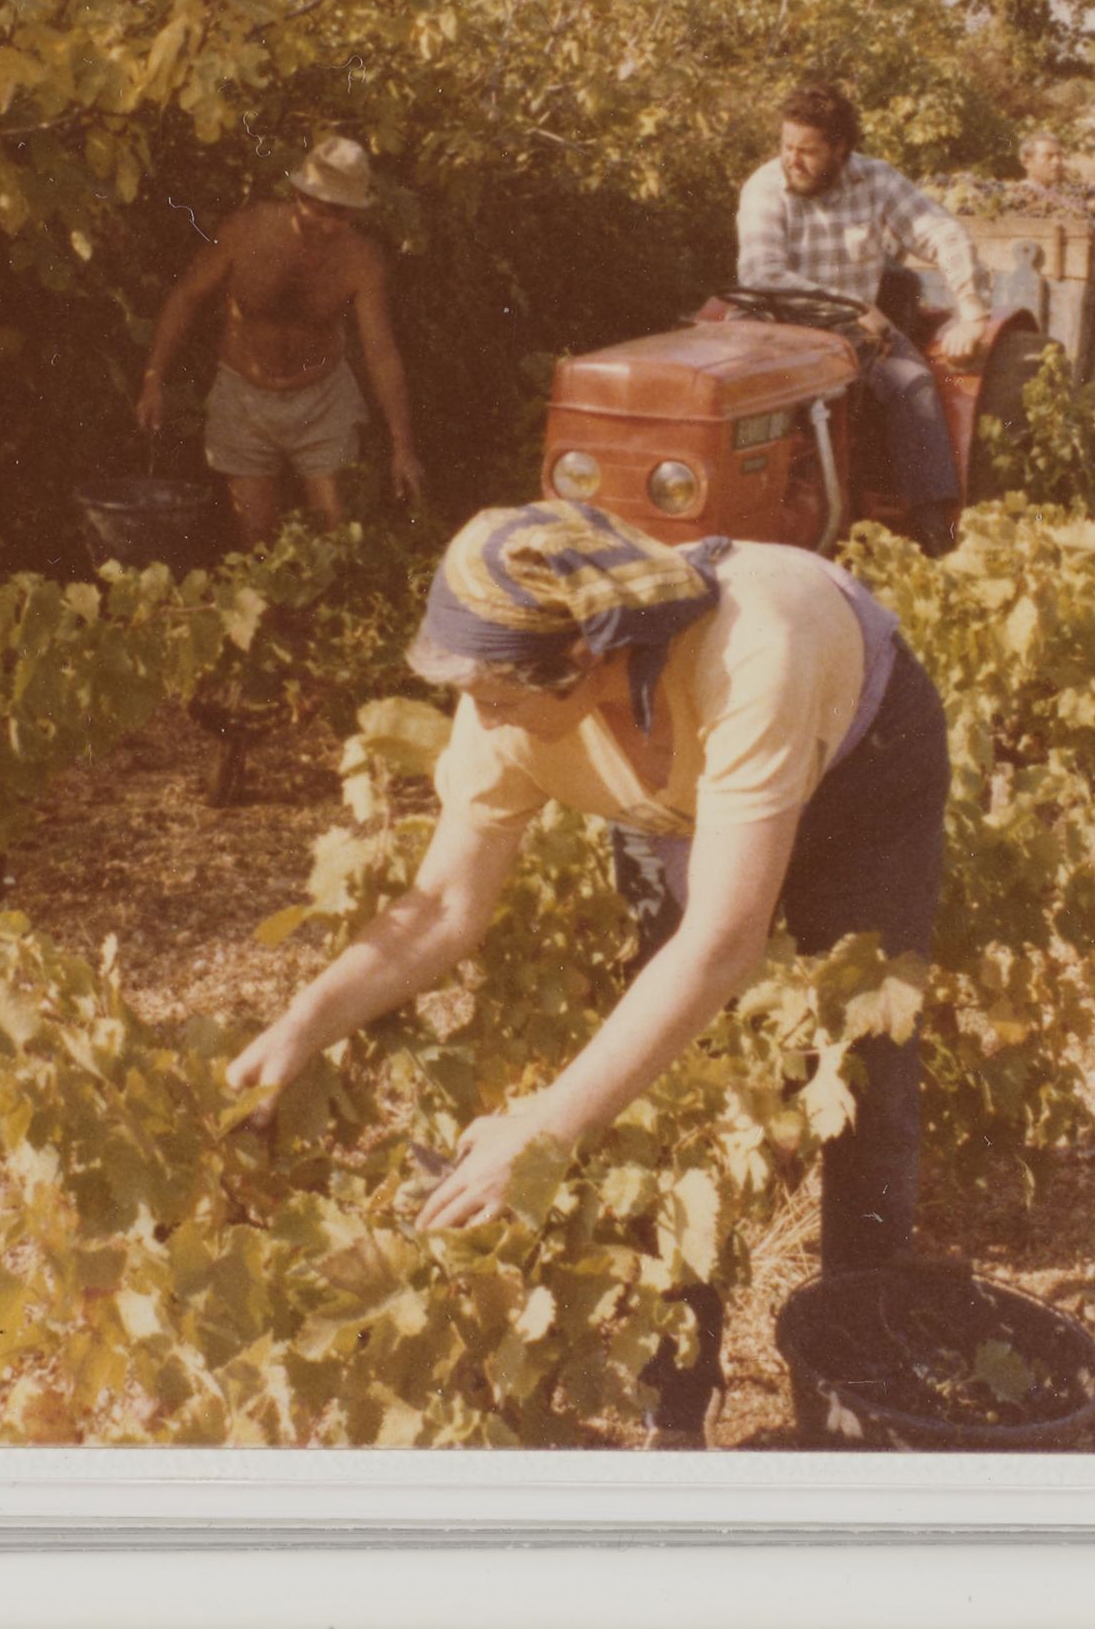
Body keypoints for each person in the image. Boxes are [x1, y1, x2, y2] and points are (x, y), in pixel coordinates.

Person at [226, 499, 947, 1285]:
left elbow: (722, 941)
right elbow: (441, 906)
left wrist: (545, 1130)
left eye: (498, 701)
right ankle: (679, 1319)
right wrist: (303, 1023)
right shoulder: (502, 699)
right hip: (678, 798)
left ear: (581, 657)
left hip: (860, 767)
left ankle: (863, 1300)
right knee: (667, 1046)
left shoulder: (754, 653)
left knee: (861, 1032)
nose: (483, 724)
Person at [733, 78, 990, 554]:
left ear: (840, 149)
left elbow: (941, 232)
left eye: (807, 151)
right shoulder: (765, 188)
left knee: (913, 383)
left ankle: (933, 529)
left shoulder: (876, 180)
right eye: (787, 147)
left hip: (855, 335)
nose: (792, 160)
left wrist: (972, 309)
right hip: (776, 327)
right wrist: (851, 306)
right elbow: (762, 276)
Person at [138, 134, 427, 538]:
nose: (328, 226)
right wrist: (153, 379)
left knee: (334, 536)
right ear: (298, 195)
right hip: (244, 396)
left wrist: (403, 446)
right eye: (320, 210)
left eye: (342, 215)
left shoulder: (361, 260)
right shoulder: (247, 231)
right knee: (255, 538)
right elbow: (187, 296)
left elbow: (381, 353)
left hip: (323, 399)